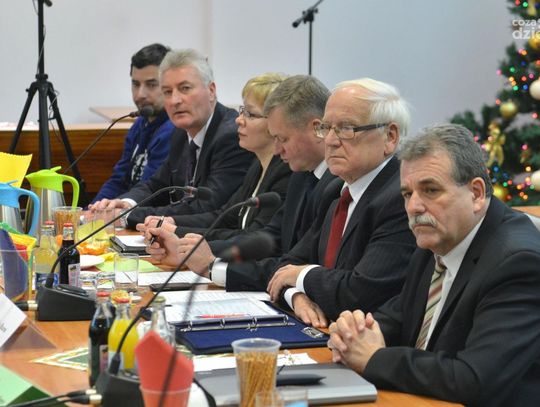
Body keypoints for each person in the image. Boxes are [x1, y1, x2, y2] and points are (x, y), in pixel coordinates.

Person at [327, 124, 540, 406]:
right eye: (407, 194)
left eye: (430, 190)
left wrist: (375, 358)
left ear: (476, 193)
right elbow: (400, 316)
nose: (414, 207)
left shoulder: (518, 263)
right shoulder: (437, 238)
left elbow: (474, 380)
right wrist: (353, 333)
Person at [146, 75, 336, 289]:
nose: (277, 149)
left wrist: (208, 263)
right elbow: (269, 238)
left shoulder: (325, 183)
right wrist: (186, 249)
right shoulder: (299, 175)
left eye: (282, 138)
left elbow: (295, 262)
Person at [266, 78, 416, 327]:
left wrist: (301, 275)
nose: (330, 140)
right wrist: (296, 296)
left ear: (390, 137)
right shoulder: (334, 189)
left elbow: (360, 293)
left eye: (347, 128)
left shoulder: (402, 197)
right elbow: (286, 265)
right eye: (326, 128)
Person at [90, 49, 254, 228]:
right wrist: (126, 203)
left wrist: (126, 216)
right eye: (167, 92)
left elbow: (204, 207)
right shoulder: (180, 133)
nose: (175, 100)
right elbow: (156, 185)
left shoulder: (231, 136)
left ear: (211, 90)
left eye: (185, 88)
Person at [138, 72, 291, 240]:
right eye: (242, 111)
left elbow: (253, 237)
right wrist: (170, 222)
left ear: (275, 123)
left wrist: (176, 231)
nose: (239, 120)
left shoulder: (285, 172)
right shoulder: (258, 166)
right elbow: (225, 217)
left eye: (250, 114)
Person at [91, 43, 174, 203]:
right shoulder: (140, 124)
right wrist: (91, 210)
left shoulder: (173, 130)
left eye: (151, 84)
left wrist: (110, 211)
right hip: (127, 207)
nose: (140, 94)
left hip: (145, 211)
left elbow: (150, 191)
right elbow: (118, 180)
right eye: (135, 84)